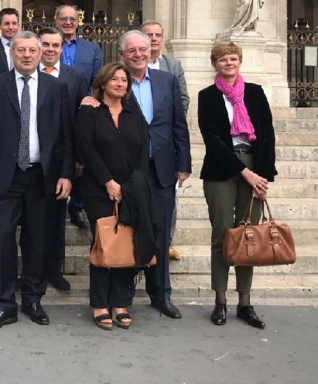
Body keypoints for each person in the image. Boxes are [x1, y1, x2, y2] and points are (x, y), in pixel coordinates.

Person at [0, 31, 73, 331]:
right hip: (5, 176)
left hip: (43, 176)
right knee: (3, 237)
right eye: (21, 50)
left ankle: (32, 298)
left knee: (37, 240)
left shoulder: (56, 87)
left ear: (41, 53)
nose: (27, 55)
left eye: (32, 50)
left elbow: (67, 135)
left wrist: (66, 173)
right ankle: (5, 305)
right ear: (12, 54)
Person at [198, 41, 276, 329]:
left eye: (232, 58)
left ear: (240, 61)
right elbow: (213, 141)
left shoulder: (255, 92)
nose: (228, 63)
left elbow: (267, 134)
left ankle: (245, 302)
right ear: (214, 64)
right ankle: (220, 300)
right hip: (221, 170)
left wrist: (263, 175)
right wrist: (245, 172)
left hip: (255, 168)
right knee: (221, 234)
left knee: (249, 237)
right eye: (222, 59)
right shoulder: (207, 96)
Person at [75, 62, 155, 330]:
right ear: (103, 83)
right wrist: (108, 182)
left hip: (131, 190)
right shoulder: (90, 112)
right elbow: (87, 150)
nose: (120, 84)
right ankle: (100, 303)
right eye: (115, 80)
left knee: (126, 242)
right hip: (98, 189)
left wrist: (135, 184)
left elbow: (144, 150)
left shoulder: (134, 113)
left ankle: (120, 302)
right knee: (104, 242)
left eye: (124, 80)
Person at [36, 27, 89, 291]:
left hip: (59, 161)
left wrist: (77, 159)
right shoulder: (27, 75)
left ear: (61, 48)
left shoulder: (75, 77)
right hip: (31, 161)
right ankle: (34, 271)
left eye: (55, 45)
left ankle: (55, 270)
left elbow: (79, 122)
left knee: (56, 221)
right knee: (33, 222)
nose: (50, 49)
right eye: (45, 44)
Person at [141, 20, 189, 262]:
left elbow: (182, 99)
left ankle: (167, 243)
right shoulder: (125, 68)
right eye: (148, 34)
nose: (153, 38)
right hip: (138, 145)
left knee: (168, 200)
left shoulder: (173, 65)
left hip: (164, 141)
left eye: (158, 34)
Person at [54, 5, 102, 229]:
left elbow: (97, 80)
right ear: (56, 22)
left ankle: (77, 207)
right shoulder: (48, 45)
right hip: (52, 108)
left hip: (81, 109)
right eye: (63, 19)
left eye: (72, 19)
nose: (68, 23)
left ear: (78, 22)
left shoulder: (91, 49)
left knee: (82, 158)